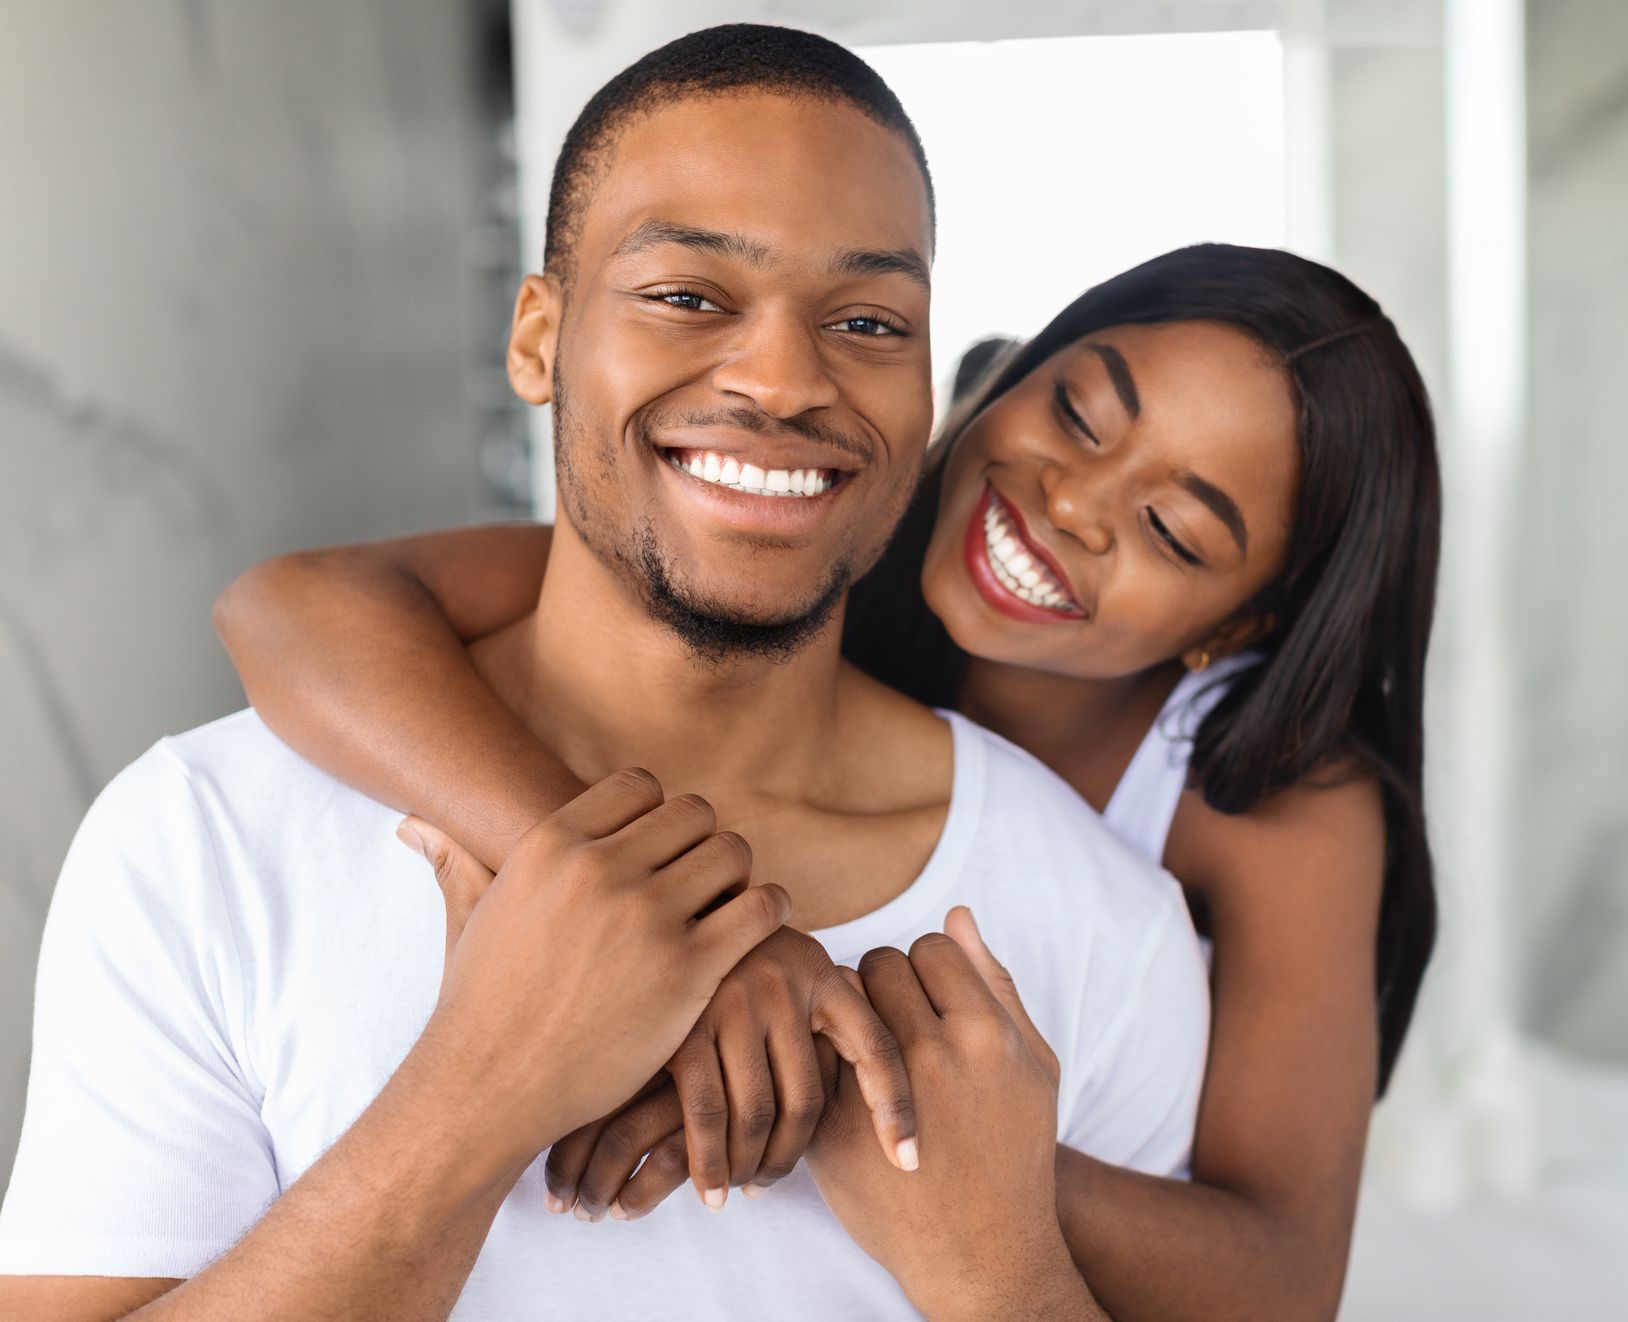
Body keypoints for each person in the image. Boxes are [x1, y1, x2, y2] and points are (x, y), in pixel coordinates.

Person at [0, 25, 1208, 1322]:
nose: (786, 379)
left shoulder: (1102, 928)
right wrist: (483, 1087)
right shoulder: (202, 836)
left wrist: (996, 1271)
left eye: (867, 320)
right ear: (538, 339)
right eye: (689, 296)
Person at [207, 190, 1443, 1322]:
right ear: (1006, 369)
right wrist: (661, 929)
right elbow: (291, 606)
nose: (1073, 501)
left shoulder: (1279, 800)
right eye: (1073, 410)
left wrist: (888, 1108)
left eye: (1170, 529)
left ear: (1238, 627)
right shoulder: (816, 512)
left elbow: (1281, 1279)